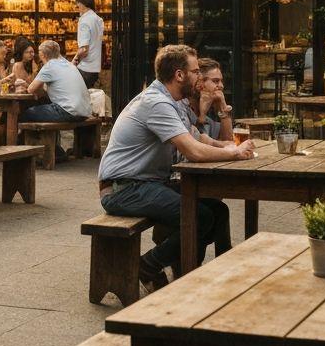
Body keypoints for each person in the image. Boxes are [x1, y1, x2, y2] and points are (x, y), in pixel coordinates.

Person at [98, 44, 255, 292]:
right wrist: (233, 153)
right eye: (195, 72)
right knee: (198, 216)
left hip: (147, 183)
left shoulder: (172, 101)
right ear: (179, 75)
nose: (200, 79)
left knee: (217, 209)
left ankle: (193, 271)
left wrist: (228, 146)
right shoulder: (156, 102)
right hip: (123, 188)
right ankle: (149, 266)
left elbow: (198, 138)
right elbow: (192, 150)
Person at [21, 40, 92, 123]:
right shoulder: (69, 64)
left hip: (68, 112)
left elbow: (30, 90)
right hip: (84, 112)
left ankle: (17, 135)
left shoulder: (49, 66)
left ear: (42, 55)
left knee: (26, 113)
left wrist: (24, 84)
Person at [187, 58, 234, 142]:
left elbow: (227, 143)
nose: (221, 86)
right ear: (199, 83)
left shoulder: (209, 119)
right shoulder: (182, 110)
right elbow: (192, 148)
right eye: (215, 81)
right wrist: (201, 117)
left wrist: (223, 110)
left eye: (221, 81)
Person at [70, 0, 104, 88]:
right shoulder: (98, 20)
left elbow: (84, 49)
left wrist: (74, 61)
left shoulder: (84, 21)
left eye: (78, 3)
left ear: (82, 4)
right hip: (95, 68)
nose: (77, 6)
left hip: (85, 68)